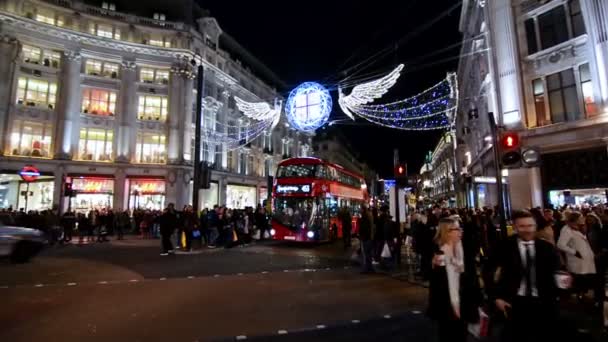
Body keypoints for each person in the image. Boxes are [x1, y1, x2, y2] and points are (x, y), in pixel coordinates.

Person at [485, 210, 560, 342]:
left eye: (530, 226)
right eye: (522, 226)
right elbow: (488, 272)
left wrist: (562, 285)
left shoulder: (547, 248)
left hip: (543, 303)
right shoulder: (503, 246)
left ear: (535, 226)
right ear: (514, 227)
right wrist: (496, 297)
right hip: (513, 303)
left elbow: (556, 273)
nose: (527, 230)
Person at [427, 217, 481, 342]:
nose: (460, 231)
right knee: (449, 335)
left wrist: (476, 300)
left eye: (460, 228)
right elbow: (438, 285)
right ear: (447, 232)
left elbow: (471, 276)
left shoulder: (464, 250)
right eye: (457, 229)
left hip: (465, 302)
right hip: (447, 306)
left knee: (462, 335)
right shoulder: (440, 253)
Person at [557, 211, 596, 301]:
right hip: (577, 259)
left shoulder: (578, 228)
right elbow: (560, 244)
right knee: (578, 279)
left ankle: (582, 294)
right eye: (581, 217)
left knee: (583, 278)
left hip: (584, 259)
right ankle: (577, 296)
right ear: (575, 219)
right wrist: (574, 252)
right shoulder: (567, 229)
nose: (583, 219)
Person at [358, 205, 375, 273]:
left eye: (361, 209)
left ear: (363, 210)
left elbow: (364, 228)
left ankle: (367, 268)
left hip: (366, 238)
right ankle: (370, 268)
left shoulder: (364, 217)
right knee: (368, 254)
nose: (360, 210)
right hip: (368, 237)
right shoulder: (369, 216)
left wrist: (361, 235)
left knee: (366, 254)